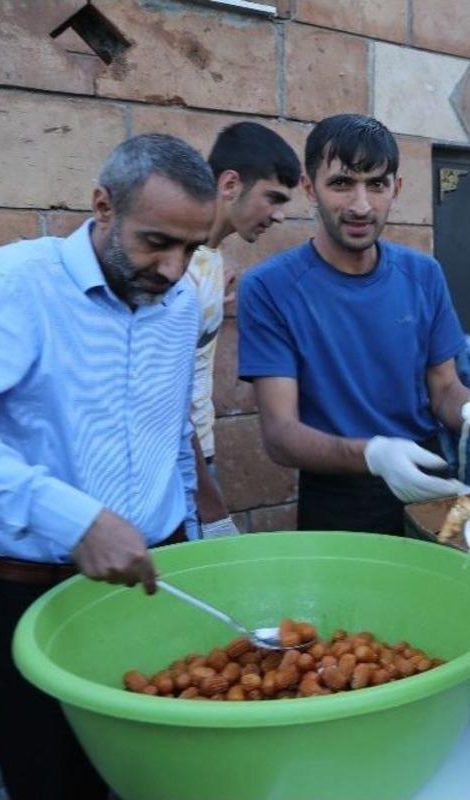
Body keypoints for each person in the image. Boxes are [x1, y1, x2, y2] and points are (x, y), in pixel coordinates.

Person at [0, 134, 216, 799]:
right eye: (156, 243)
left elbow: (168, 435)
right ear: (102, 206)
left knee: (166, 783)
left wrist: (195, 544)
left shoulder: (179, 306)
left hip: (157, 595)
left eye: (191, 249)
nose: (174, 270)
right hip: (35, 600)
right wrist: (72, 517)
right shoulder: (10, 285)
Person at [236, 114, 470, 535]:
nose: (361, 205)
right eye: (342, 183)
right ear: (310, 189)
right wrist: (374, 455)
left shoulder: (424, 274)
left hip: (428, 475)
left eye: (377, 184)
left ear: (395, 189)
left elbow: (446, 389)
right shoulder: (270, 288)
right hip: (336, 494)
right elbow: (280, 433)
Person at [185, 121, 301, 538]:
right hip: (183, 467)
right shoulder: (180, 270)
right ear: (230, 183)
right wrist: (211, 507)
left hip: (197, 459)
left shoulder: (208, 259)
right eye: (272, 198)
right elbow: (166, 399)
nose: (280, 215)